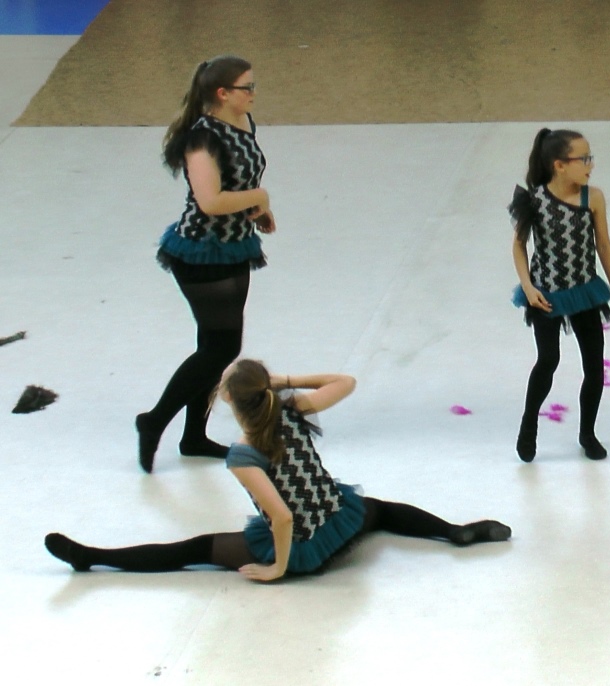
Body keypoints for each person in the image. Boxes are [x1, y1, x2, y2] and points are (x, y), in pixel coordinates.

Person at [46, 360, 512, 580]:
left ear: (230, 402)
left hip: (305, 550)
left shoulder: (243, 454)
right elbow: (346, 381)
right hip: (341, 518)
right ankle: (454, 532)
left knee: (194, 548)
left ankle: (92, 556)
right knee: (382, 510)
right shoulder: (291, 410)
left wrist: (278, 569)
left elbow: (282, 518)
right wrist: (285, 381)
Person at [135, 55, 275, 473]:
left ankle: (194, 436)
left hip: (234, 246)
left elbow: (240, 179)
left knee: (214, 347)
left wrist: (257, 209)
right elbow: (210, 201)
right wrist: (260, 197)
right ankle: (153, 421)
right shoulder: (202, 139)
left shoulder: (243, 123)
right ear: (223, 93)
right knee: (221, 348)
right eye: (247, 87)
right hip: (201, 252)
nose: (253, 94)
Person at [509, 129, 610, 462]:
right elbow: (519, 246)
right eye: (583, 159)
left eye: (590, 158)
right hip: (545, 293)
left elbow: (603, 245)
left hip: (584, 291)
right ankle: (529, 423)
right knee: (548, 360)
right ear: (559, 165)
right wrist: (529, 287)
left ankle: (587, 432)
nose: (590, 165)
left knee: (594, 365)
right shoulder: (535, 200)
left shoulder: (593, 198)